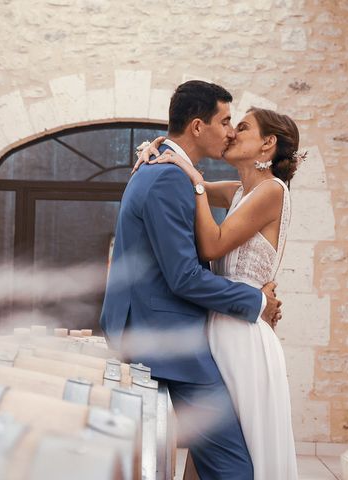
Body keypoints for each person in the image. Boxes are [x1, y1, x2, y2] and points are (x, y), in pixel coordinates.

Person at [100, 80, 282, 479]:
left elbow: (243, 194)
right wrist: (256, 301)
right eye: (226, 120)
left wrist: (189, 172)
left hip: (166, 327)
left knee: (205, 461)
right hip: (167, 336)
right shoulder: (167, 176)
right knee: (233, 465)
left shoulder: (168, 169)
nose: (231, 131)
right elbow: (184, 277)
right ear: (198, 127)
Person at [134, 106, 303, 479]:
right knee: (209, 444)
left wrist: (193, 178)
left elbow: (212, 245)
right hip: (221, 324)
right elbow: (183, 177)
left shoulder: (272, 191)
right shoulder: (240, 191)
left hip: (243, 336)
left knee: (238, 443)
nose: (231, 134)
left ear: (268, 143)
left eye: (242, 128)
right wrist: (161, 146)